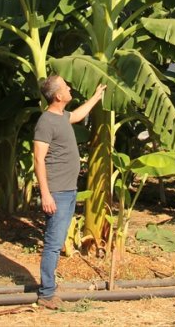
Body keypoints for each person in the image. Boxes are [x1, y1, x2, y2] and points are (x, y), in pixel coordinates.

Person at [33, 75, 106, 309]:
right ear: (58, 96)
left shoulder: (62, 117)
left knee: (57, 241)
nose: (69, 88)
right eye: (66, 86)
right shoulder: (45, 122)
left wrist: (96, 96)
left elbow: (77, 115)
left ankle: (49, 288)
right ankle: (46, 294)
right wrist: (45, 193)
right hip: (57, 192)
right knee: (54, 243)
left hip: (69, 190)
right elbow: (38, 159)